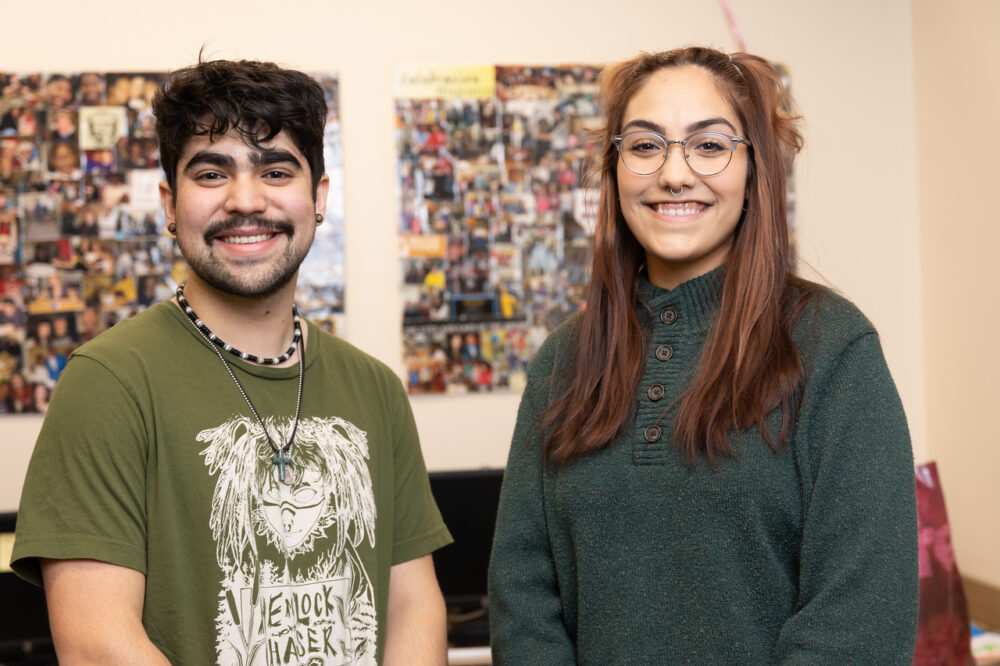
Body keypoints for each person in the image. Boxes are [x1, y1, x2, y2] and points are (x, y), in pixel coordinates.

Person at [12, 57, 453, 665]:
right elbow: (97, 646)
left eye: (275, 170)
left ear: (318, 197)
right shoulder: (108, 381)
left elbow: (414, 609)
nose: (246, 201)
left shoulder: (374, 387)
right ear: (170, 204)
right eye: (212, 173)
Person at [488, 47, 918, 664]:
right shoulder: (564, 360)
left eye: (710, 145)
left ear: (755, 169)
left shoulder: (833, 348)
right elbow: (522, 597)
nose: (674, 173)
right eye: (643, 145)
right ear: (614, 170)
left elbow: (860, 621)